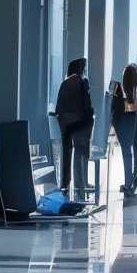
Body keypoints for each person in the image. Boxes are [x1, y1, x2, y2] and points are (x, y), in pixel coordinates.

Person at [53, 57, 92, 197]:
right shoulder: (83, 83)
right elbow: (87, 104)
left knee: (66, 153)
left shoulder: (65, 84)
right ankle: (81, 184)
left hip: (65, 123)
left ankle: (65, 182)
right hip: (81, 123)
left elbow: (58, 107)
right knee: (81, 152)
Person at [115, 63, 137, 194]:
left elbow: (115, 109)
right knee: (131, 152)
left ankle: (128, 183)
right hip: (131, 121)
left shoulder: (119, 89)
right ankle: (131, 181)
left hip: (121, 121)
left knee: (126, 152)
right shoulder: (136, 91)